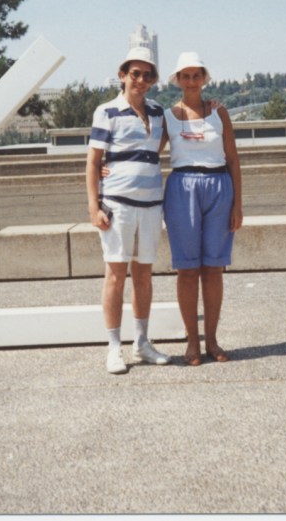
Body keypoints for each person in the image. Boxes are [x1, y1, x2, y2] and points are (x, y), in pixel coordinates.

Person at [86, 45, 171, 374]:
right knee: (115, 277)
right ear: (122, 75)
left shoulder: (158, 112)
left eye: (147, 75)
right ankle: (113, 347)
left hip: (151, 207)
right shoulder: (106, 111)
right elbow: (92, 162)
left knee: (144, 277)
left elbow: (158, 146)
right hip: (118, 207)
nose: (141, 80)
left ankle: (142, 343)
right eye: (135, 74)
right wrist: (95, 208)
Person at [162, 51, 243, 366]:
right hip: (182, 189)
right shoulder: (167, 115)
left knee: (213, 269)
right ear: (178, 80)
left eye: (197, 75)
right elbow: (147, 151)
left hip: (218, 187)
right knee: (187, 269)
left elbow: (233, 159)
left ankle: (211, 339)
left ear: (204, 78)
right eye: (186, 76)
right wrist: (108, 167)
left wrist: (238, 202)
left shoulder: (219, 112)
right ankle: (191, 342)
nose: (192, 81)